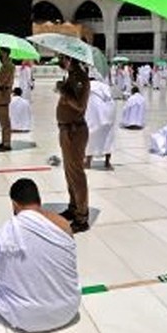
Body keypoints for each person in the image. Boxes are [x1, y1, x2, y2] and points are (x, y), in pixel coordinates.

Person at [0, 178, 78, 333]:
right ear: (39, 200)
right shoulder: (63, 224)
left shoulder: (7, 231)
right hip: (69, 309)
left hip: (26, 319)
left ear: (14, 204)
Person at [56, 55, 91, 233]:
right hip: (67, 130)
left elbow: (80, 105)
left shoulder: (80, 78)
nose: (59, 59)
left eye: (61, 57)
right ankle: (74, 207)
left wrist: (64, 91)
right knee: (69, 173)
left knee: (76, 174)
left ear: (69, 58)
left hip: (74, 131)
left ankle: (82, 217)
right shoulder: (72, 76)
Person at [85, 71, 116, 169]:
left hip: (94, 115)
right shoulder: (104, 86)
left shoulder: (87, 86)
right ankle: (107, 163)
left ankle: (88, 162)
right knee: (108, 138)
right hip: (108, 113)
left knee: (90, 137)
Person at [0, 48, 15, 151]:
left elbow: (1, 81)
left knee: (4, 119)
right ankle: (4, 141)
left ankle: (7, 143)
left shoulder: (8, 66)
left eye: (0, 52)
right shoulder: (5, 65)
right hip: (1, 93)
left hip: (3, 93)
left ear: (5, 53)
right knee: (2, 120)